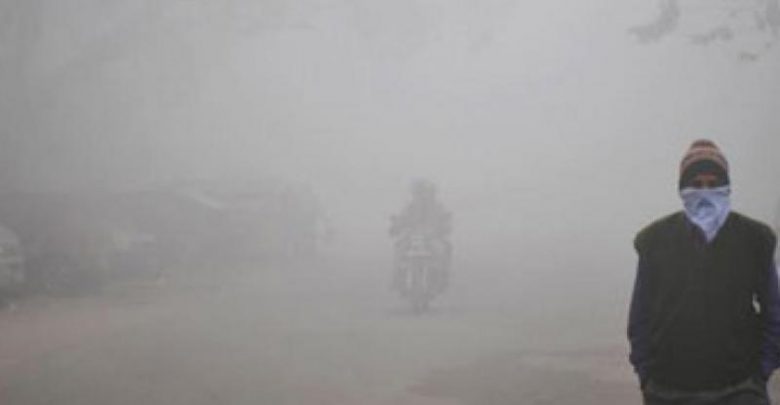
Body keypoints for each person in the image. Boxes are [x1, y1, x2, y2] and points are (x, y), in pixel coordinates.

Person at [628, 139, 780, 404]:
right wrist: (647, 376)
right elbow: (640, 315)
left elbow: (774, 312)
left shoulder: (755, 239)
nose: (705, 191)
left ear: (727, 187)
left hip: (740, 389)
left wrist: (761, 373)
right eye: (696, 184)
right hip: (668, 390)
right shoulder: (654, 241)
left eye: (713, 183)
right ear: (682, 189)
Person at [389, 179, 452, 294]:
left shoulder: (437, 207)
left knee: (443, 249)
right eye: (418, 193)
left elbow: (445, 221)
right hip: (411, 238)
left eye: (423, 193)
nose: (421, 196)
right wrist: (395, 226)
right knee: (399, 248)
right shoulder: (409, 207)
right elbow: (401, 220)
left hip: (432, 237)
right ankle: (396, 277)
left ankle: (443, 276)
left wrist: (444, 228)